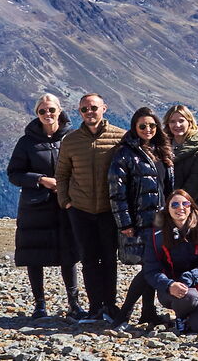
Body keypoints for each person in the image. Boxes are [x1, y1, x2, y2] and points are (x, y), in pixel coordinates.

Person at [6, 93, 85, 319]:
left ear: (60, 110)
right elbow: (14, 174)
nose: (47, 114)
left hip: (66, 204)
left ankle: (74, 303)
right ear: (37, 114)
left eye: (51, 110)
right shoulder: (26, 142)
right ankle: (39, 305)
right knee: (34, 254)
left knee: (68, 254)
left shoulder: (72, 138)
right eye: (42, 111)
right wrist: (40, 179)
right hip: (35, 206)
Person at [55, 93, 126, 323]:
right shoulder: (71, 140)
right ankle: (95, 306)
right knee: (88, 259)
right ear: (79, 112)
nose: (89, 112)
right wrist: (65, 202)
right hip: (81, 209)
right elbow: (62, 173)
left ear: (104, 108)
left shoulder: (120, 137)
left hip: (108, 209)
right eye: (84, 109)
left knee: (109, 258)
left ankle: (110, 305)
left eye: (93, 108)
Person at [110, 106, 174, 328]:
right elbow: (117, 192)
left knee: (152, 266)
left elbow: (167, 189)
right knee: (149, 268)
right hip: (139, 221)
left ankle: (148, 312)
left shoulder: (162, 150)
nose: (148, 129)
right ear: (134, 128)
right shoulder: (125, 154)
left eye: (152, 125)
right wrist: (125, 222)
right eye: (143, 126)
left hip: (160, 221)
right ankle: (123, 315)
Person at [143, 189, 198, 334]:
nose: (180, 208)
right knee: (188, 298)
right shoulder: (157, 234)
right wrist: (169, 284)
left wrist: (190, 277)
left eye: (185, 203)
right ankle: (181, 317)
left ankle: (191, 316)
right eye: (175, 205)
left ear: (191, 207)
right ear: (167, 208)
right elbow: (151, 269)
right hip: (170, 288)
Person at [165, 105, 198, 213]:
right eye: (172, 121)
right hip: (165, 210)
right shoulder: (161, 148)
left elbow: (194, 186)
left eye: (181, 121)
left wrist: (174, 205)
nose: (177, 125)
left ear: (190, 122)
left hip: (190, 208)